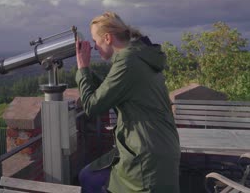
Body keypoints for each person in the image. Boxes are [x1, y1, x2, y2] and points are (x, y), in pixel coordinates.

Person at [76, 12, 180, 193]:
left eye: (95, 41)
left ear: (107, 38)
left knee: (90, 179)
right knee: (88, 176)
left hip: (146, 155)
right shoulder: (139, 56)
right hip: (160, 146)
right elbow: (110, 91)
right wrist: (88, 73)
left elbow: (92, 107)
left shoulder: (127, 61)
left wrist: (83, 69)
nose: (93, 47)